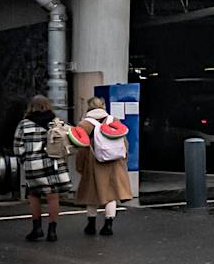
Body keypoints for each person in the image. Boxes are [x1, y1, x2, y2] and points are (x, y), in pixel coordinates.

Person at [13, 94, 71, 243]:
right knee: (53, 196)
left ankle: (37, 228)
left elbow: (17, 146)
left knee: (34, 195)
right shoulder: (57, 123)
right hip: (54, 163)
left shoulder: (24, 124)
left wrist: (24, 160)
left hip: (34, 164)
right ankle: (52, 231)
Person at [74, 103, 133, 236]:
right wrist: (124, 161)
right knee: (111, 195)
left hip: (93, 163)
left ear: (88, 108)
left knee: (91, 195)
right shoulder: (114, 121)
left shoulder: (84, 125)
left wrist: (80, 166)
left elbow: (82, 148)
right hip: (114, 163)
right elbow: (125, 143)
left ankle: (91, 224)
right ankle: (108, 224)